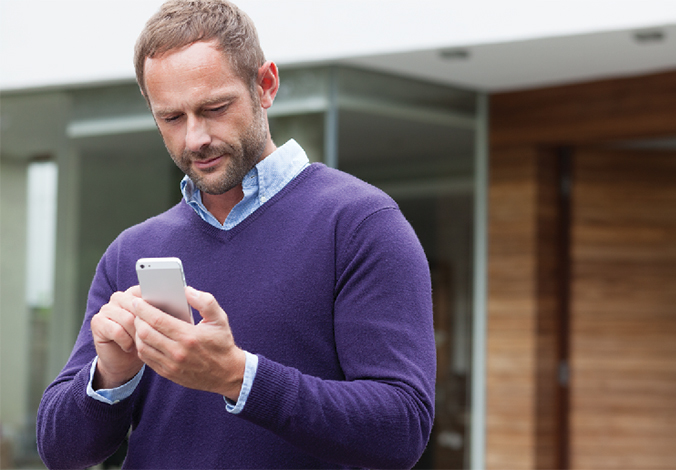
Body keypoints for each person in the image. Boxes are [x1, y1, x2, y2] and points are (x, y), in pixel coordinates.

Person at [36, 0, 436, 468]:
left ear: (265, 85)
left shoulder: (360, 225)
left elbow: (401, 429)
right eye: (171, 118)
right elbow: (60, 451)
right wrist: (110, 375)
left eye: (215, 107)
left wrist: (238, 377)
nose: (195, 138)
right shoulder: (133, 251)